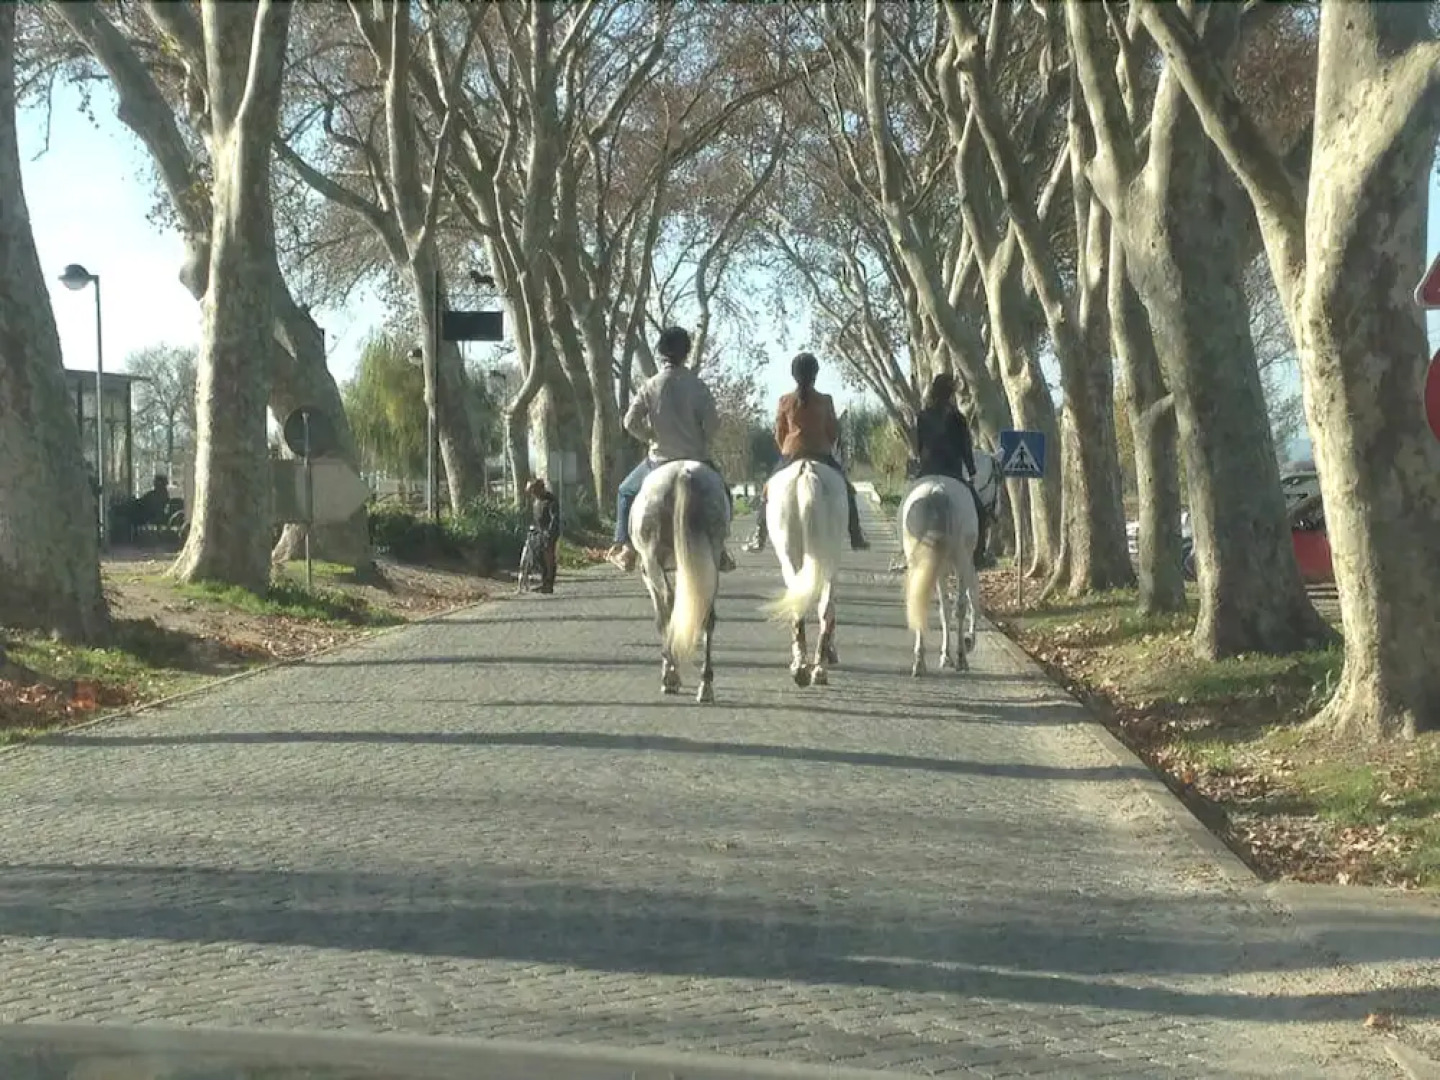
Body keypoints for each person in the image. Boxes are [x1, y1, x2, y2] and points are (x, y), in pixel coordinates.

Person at [606, 326, 735, 573]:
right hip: (696, 459)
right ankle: (721, 551)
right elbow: (712, 424)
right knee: (723, 492)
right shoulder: (698, 386)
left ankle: (626, 549)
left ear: (661, 353)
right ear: (686, 353)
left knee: (625, 492)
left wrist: (650, 437)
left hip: (659, 460)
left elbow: (629, 422)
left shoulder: (650, 385)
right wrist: (700, 439)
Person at [746, 352, 868, 553]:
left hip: (792, 454)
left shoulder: (785, 401)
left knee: (767, 490)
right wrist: (824, 443)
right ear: (816, 374)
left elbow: (779, 433)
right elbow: (833, 432)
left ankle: (759, 535)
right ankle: (856, 535)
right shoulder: (825, 400)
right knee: (848, 489)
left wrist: (787, 447)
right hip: (821, 453)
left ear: (793, 374)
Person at [913, 370, 989, 564]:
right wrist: (971, 472)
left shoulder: (922, 416)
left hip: (927, 472)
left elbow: (918, 447)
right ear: (951, 393)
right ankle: (979, 556)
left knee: (907, 504)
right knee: (981, 513)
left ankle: (905, 550)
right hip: (952, 473)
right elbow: (965, 449)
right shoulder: (958, 418)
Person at [527, 477, 561, 594]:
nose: (533, 494)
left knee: (548, 559)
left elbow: (554, 518)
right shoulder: (536, 502)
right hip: (539, 533)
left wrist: (550, 533)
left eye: (534, 491)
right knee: (539, 558)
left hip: (549, 533)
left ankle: (548, 584)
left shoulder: (550, 500)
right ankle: (543, 582)